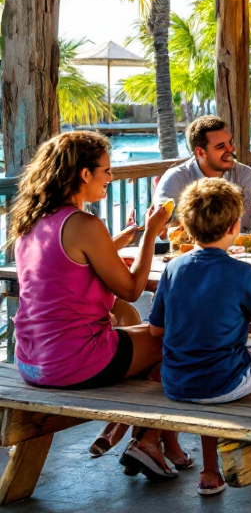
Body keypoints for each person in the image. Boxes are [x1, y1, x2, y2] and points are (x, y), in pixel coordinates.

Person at [9, 131, 186, 481]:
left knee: (150, 335)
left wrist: (115, 242)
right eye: (106, 170)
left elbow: (64, 272)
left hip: (30, 361)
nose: (111, 176)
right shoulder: (85, 225)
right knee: (179, 341)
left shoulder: (30, 223)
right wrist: (152, 233)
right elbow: (134, 289)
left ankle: (142, 438)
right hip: (73, 361)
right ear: (84, 174)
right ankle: (146, 439)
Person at [149, 178, 251, 495]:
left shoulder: (173, 268)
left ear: (188, 226)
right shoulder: (242, 272)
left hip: (176, 382)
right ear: (235, 226)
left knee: (218, 361)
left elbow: (155, 329)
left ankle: (211, 468)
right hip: (223, 382)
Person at [154, 115, 251, 229]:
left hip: (241, 246)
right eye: (221, 146)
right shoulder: (175, 179)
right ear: (200, 152)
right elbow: (162, 230)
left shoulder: (246, 176)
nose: (231, 150)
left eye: (230, 143)